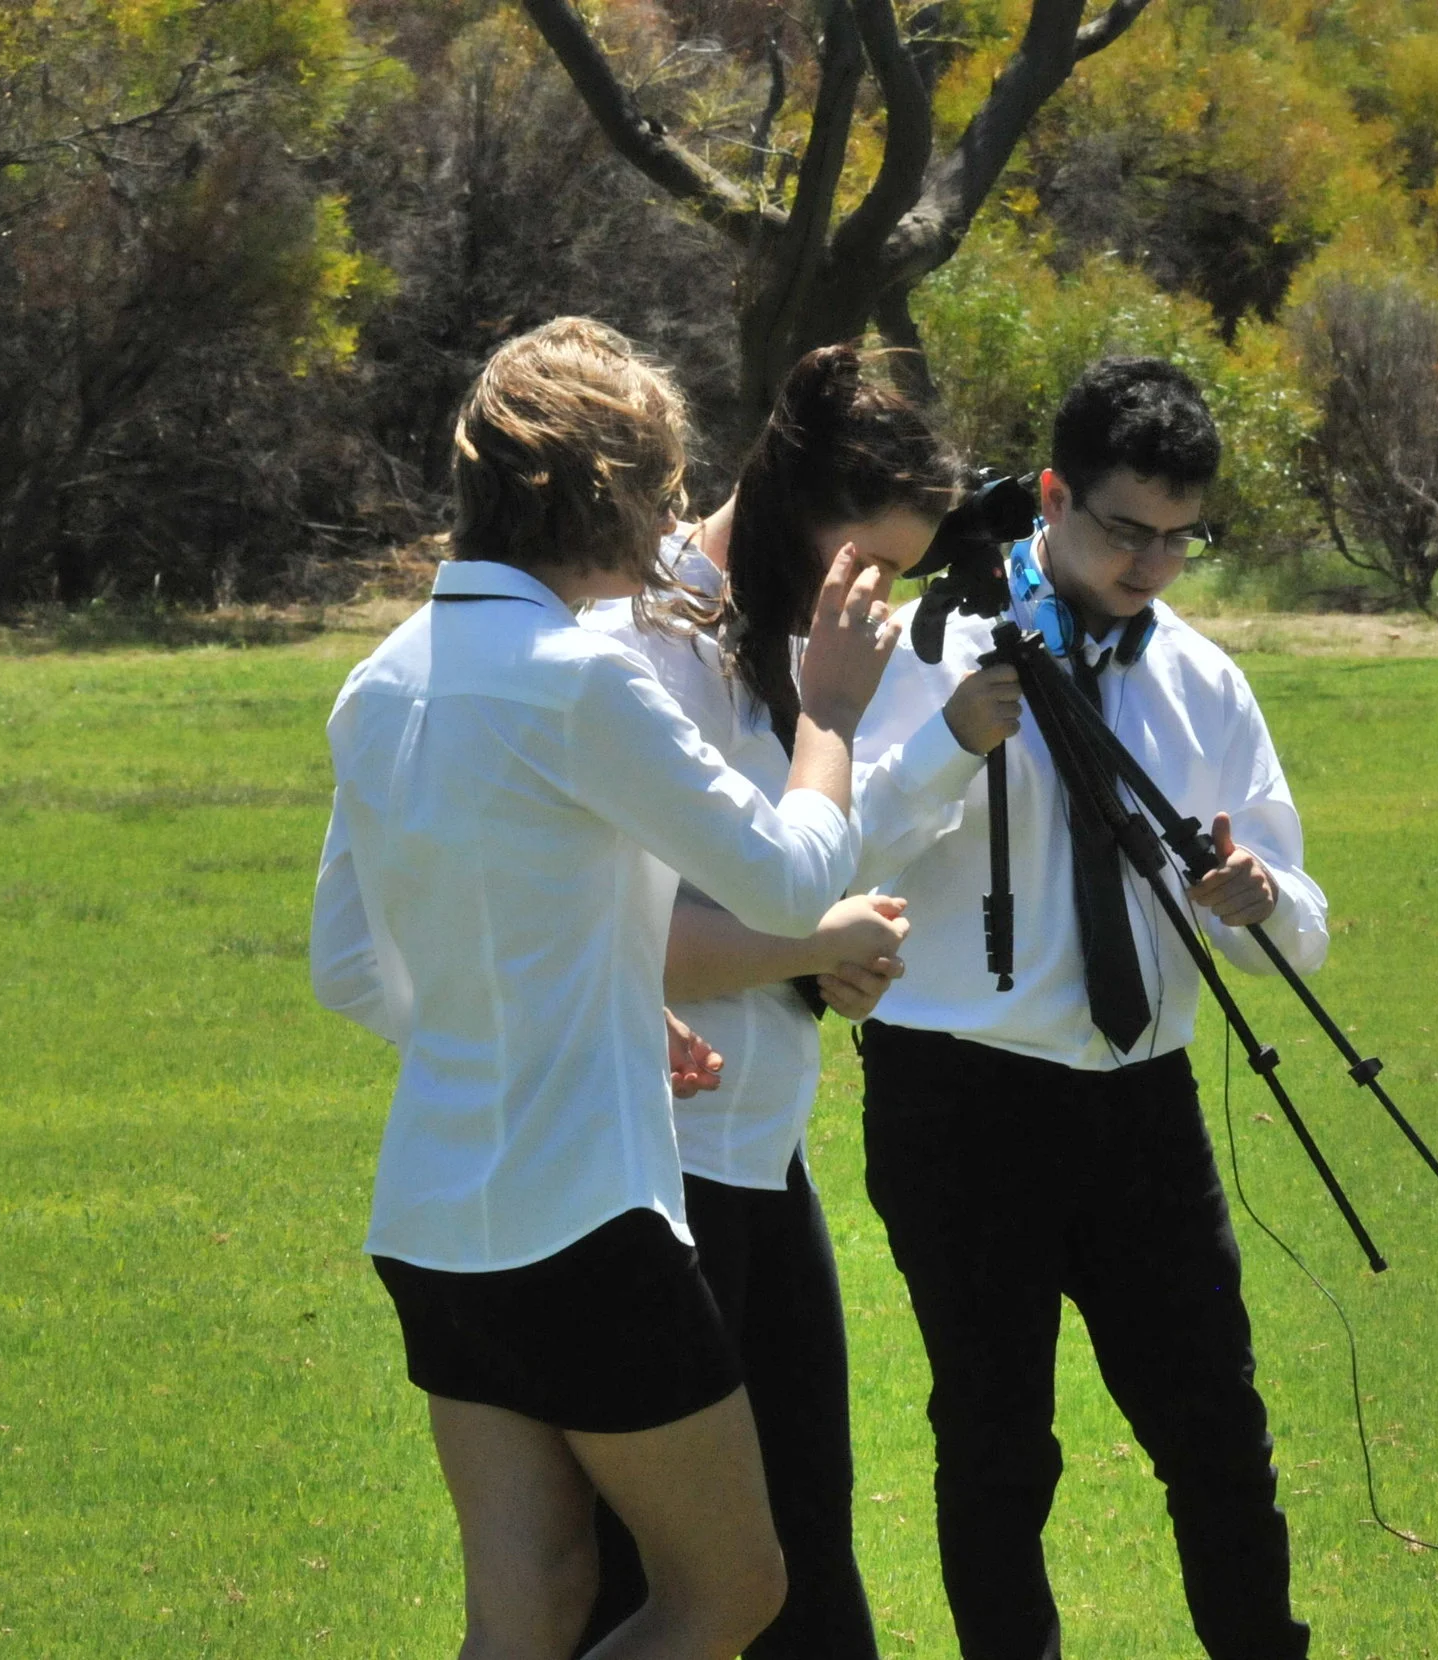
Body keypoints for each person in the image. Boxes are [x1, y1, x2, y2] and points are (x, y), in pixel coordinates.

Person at [308, 317, 900, 1660]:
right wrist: (832, 712)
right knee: (732, 1590)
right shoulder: (581, 678)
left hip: (432, 1225)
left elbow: (349, 964)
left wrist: (597, 1000)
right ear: (614, 494)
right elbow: (789, 881)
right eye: (668, 487)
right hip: (581, 1221)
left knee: (531, 1608)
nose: (679, 516)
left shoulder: (380, 680)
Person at [843, 356, 1328, 1660]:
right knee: (998, 1444)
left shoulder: (1205, 681)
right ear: (1052, 496)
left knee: (1219, 1437)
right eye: (1124, 530)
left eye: (1180, 539)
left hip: (1144, 1107)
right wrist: (949, 743)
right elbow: (830, 863)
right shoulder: (922, 649)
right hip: (960, 1095)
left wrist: (1258, 896)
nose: (1150, 565)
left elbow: (1308, 930)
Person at [573, 343, 959, 1660]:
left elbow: (791, 887)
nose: (880, 597)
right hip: (657, 1166)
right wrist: (804, 946)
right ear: (794, 505)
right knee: (662, 1586)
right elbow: (629, 936)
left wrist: (830, 959)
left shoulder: (789, 640)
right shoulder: (652, 635)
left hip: (759, 1156)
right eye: (871, 560)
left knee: (808, 1575)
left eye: (902, 573)